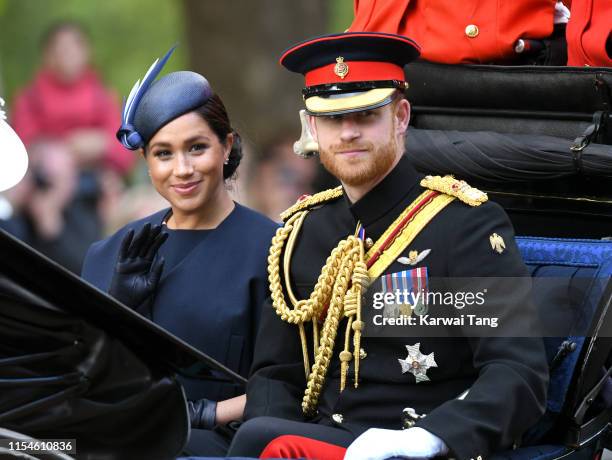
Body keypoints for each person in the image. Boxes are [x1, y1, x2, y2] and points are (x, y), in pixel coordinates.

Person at [227, 32, 549, 460]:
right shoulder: (301, 231)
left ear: (400, 116)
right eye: (332, 118)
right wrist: (270, 437)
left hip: (414, 445)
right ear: (312, 127)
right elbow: (275, 375)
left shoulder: (463, 223)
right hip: (313, 442)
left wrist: (431, 437)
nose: (348, 132)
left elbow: (517, 372)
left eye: (366, 115)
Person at [80, 48, 277, 456]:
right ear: (146, 162)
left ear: (227, 147)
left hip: (221, 443)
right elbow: (83, 379)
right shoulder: (109, 255)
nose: (182, 169)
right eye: (164, 153)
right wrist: (120, 318)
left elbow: (291, 385)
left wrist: (206, 413)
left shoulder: (274, 249)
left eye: (197, 148)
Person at [9, 21, 134, 273]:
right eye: (60, 49)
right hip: (44, 183)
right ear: (47, 55)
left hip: (92, 190)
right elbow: (21, 145)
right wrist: (58, 151)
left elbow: (124, 149)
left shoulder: (102, 97)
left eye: (73, 48)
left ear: (86, 52)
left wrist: (99, 145)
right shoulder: (30, 98)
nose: (67, 55)